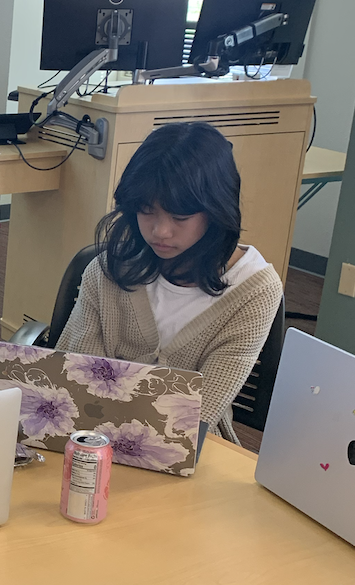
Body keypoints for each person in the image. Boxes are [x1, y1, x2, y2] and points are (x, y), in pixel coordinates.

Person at [55, 120, 282, 441]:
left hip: (187, 445)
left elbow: (199, 412)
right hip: (92, 432)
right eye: (146, 211)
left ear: (216, 211)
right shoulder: (106, 269)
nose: (160, 231)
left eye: (179, 217)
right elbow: (77, 379)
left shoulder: (255, 290)